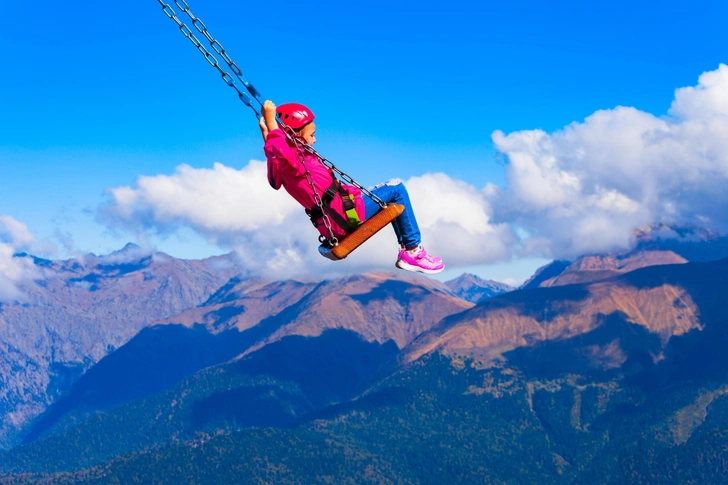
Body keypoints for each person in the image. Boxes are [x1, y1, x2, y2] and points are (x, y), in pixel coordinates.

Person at [259, 100, 444, 275]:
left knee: (383, 193)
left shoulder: (288, 167)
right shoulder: (295, 161)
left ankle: (409, 250)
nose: (314, 140)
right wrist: (272, 123)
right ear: (295, 135)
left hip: (334, 221)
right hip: (347, 216)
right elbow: (281, 154)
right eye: (311, 135)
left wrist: (267, 136)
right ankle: (413, 250)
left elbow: (275, 178)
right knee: (397, 188)